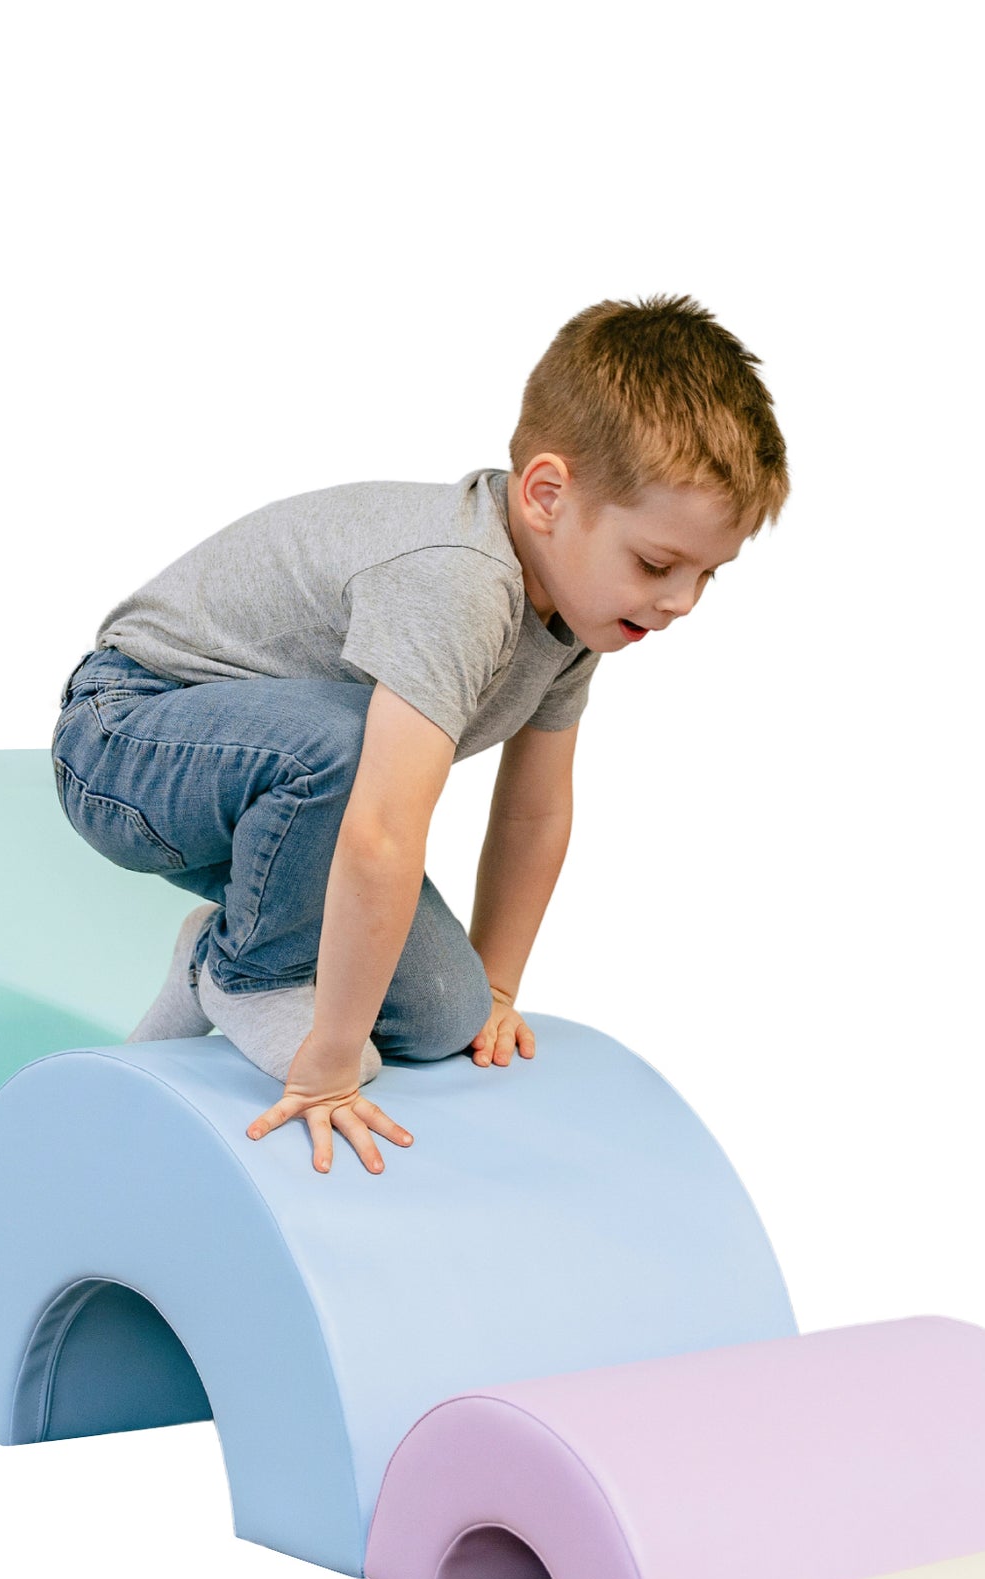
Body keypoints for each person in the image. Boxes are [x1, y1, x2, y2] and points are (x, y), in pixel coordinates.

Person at [52, 293, 788, 1176]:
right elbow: (382, 828)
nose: (679, 603)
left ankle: (219, 956)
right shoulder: (460, 585)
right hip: (129, 737)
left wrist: (500, 988)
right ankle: (253, 973)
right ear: (549, 495)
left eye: (709, 574)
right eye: (657, 565)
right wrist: (328, 1058)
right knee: (351, 747)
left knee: (444, 1013)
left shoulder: (576, 618)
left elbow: (532, 814)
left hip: (280, 787)